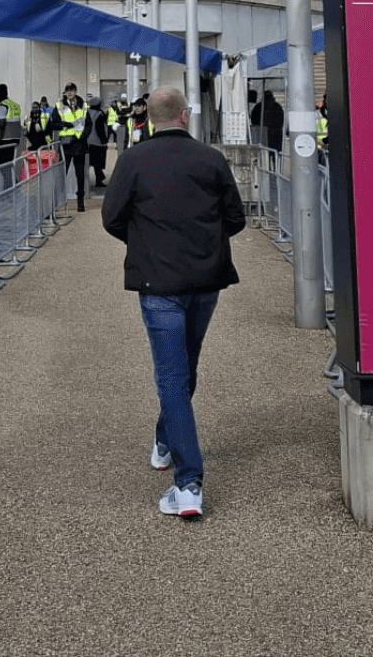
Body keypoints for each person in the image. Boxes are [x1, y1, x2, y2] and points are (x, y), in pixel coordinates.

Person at [100, 86, 244, 521]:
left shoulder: (132, 160)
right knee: (185, 369)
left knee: (173, 375)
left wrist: (146, 243)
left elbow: (111, 218)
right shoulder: (211, 159)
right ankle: (170, 447)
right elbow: (235, 217)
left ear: (150, 117)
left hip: (158, 280)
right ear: (184, 115)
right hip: (205, 279)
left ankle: (187, 481)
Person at [54, 91, 90, 212]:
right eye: (67, 91)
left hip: (79, 144)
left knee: (80, 176)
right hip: (66, 145)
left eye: (72, 90)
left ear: (75, 92)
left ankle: (80, 203)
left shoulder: (83, 106)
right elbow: (53, 123)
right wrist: (64, 124)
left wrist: (83, 135)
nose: (70, 93)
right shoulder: (60, 106)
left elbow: (89, 124)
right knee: (61, 175)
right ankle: (58, 202)